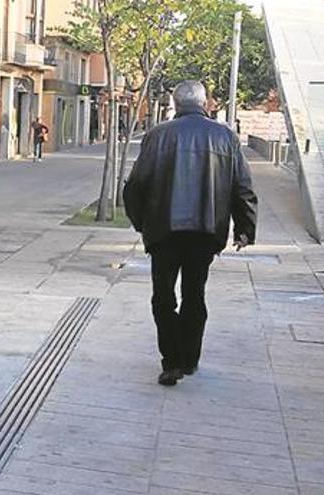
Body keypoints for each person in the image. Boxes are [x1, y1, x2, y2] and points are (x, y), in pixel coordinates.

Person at [122, 80, 258, 386]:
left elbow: (135, 186)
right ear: (206, 102)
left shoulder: (158, 135)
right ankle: (190, 358)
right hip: (206, 231)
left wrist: (142, 222)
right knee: (195, 295)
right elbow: (243, 187)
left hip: (164, 231)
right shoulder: (225, 137)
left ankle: (171, 361)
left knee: (163, 297)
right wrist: (245, 228)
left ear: (175, 103)